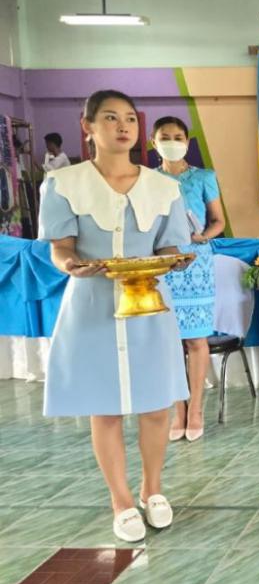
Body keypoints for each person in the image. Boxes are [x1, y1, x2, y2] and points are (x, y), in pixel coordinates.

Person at [38, 90, 192, 543]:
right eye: (110, 118)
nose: (123, 126)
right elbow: (60, 248)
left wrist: (175, 260)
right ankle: (120, 500)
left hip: (148, 304)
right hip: (93, 304)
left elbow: (168, 245)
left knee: (156, 403)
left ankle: (152, 488)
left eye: (129, 118)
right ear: (87, 126)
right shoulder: (64, 183)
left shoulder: (163, 187)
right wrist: (71, 265)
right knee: (104, 407)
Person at [153, 116, 226, 442]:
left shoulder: (203, 177)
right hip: (162, 263)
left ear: (187, 141)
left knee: (196, 340)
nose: (172, 142)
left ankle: (195, 410)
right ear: (154, 142)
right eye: (165, 137)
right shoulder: (146, 179)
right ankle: (177, 410)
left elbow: (218, 220)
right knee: (168, 341)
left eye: (177, 136)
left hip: (196, 263)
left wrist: (203, 236)